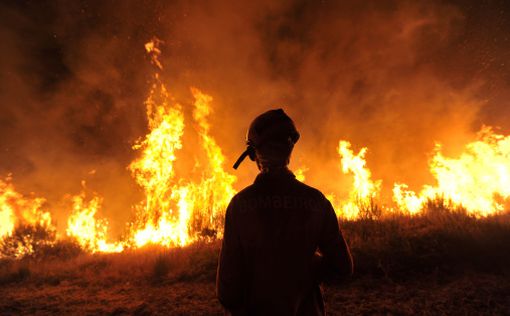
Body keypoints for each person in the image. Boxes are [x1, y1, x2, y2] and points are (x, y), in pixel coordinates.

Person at [217, 109, 353, 315]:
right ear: (290, 149)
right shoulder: (316, 201)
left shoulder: (240, 205)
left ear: (253, 154)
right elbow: (342, 267)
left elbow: (227, 290)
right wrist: (305, 265)